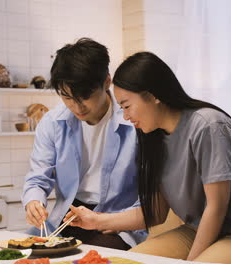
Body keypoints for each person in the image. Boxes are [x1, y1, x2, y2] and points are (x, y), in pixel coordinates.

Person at [65, 51, 231, 263]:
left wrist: (189, 261)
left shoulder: (208, 126)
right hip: (194, 230)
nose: (125, 116)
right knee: (123, 262)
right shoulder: (154, 138)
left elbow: (216, 207)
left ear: (153, 95)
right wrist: (96, 221)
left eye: (127, 106)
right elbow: (155, 212)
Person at [22, 38, 147, 250]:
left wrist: (119, 222)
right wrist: (33, 202)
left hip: (115, 222)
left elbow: (148, 193)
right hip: (68, 216)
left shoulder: (134, 120)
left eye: (85, 96)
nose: (76, 106)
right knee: (24, 253)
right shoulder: (53, 123)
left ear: (107, 82)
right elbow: (38, 177)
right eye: (67, 97)